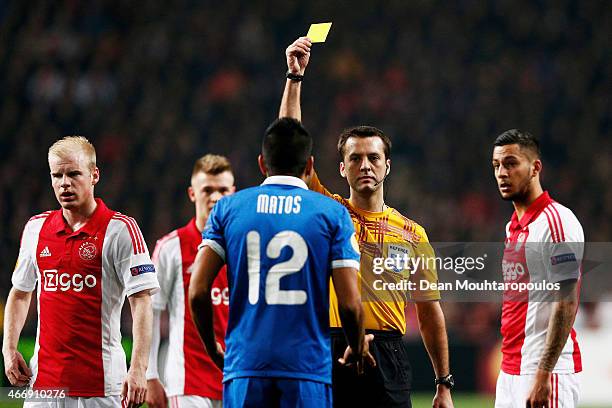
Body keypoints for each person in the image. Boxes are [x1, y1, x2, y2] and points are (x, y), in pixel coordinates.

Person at [280, 37, 454, 408]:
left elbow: (428, 311)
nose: (365, 166)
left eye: (373, 158)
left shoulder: (412, 233)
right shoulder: (328, 211)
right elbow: (289, 144)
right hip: (330, 346)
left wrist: (444, 384)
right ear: (341, 168)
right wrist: (294, 78)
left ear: (387, 166)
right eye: (355, 158)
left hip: (389, 355)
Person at [189, 118, 372, 407]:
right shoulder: (332, 214)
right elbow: (350, 305)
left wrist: (213, 349)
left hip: (245, 367)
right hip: (306, 369)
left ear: (262, 163)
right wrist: (357, 346)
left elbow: (197, 290)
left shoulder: (228, 208)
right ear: (310, 165)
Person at [2, 136, 159, 407]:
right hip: (44, 386)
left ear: (94, 174)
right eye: (57, 175)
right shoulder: (35, 229)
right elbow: (20, 292)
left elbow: (142, 301)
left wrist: (138, 367)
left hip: (102, 387)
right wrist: (9, 348)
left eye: (74, 173)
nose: (65, 183)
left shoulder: (121, 229)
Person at [492, 129, 583, 408]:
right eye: (496, 166)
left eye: (510, 163)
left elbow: (566, 302)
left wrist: (544, 373)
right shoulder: (513, 226)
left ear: (535, 168)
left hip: (544, 371)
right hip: (510, 370)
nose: (502, 173)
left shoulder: (557, 222)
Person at [146, 154, 235, 408]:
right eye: (207, 189)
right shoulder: (170, 247)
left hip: (236, 378)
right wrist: (150, 374)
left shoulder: (244, 246)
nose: (215, 197)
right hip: (188, 381)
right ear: (192, 193)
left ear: (233, 193)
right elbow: (150, 312)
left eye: (222, 190)